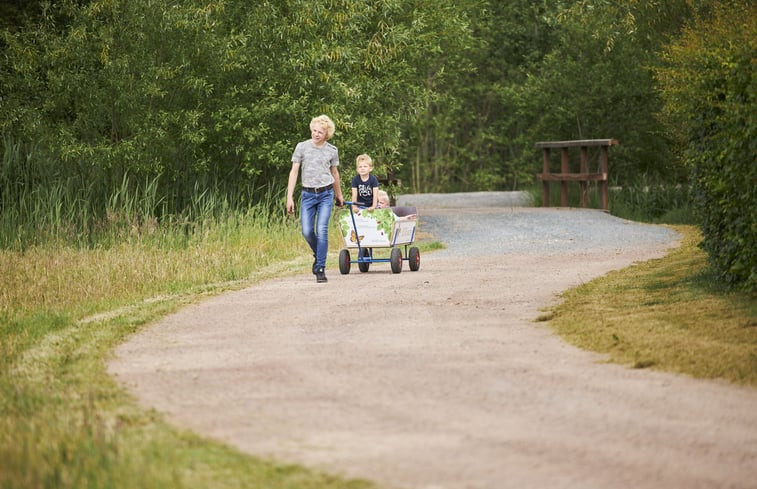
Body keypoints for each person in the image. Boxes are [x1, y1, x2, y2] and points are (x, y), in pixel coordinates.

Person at [286, 115, 344, 283]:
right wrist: (289, 197)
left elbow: (335, 173)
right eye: (314, 131)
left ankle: (320, 268)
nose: (316, 134)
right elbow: (294, 172)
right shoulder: (301, 147)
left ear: (327, 134)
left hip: (326, 194)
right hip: (308, 195)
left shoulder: (331, 150)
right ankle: (318, 253)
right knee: (306, 231)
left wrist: (339, 195)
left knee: (322, 229)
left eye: (320, 132)